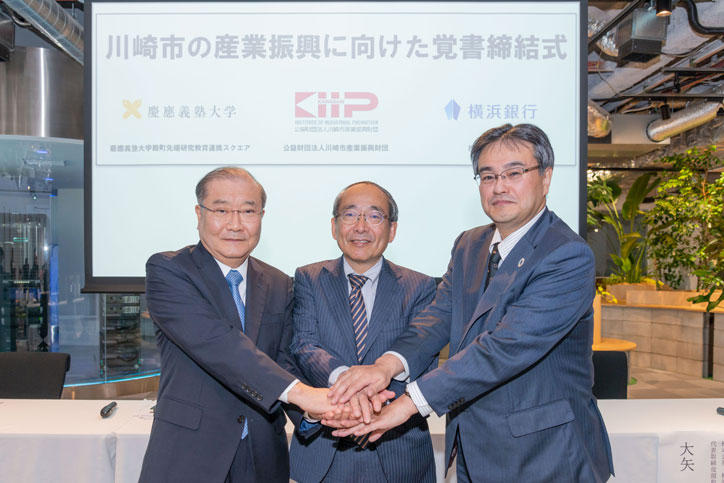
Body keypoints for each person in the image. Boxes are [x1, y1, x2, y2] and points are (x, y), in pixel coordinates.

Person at [327, 124, 615, 482]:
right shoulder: (470, 244)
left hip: (545, 453)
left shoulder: (566, 255)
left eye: (514, 173)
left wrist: (410, 403)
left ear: (546, 177)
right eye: (488, 176)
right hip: (473, 447)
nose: (499, 187)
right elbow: (437, 316)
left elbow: (505, 348)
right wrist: (384, 367)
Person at [139, 167, 349, 483]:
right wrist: (303, 394)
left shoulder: (279, 283)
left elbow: (282, 362)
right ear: (199, 214)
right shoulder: (169, 270)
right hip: (189, 455)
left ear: (261, 216)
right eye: (222, 210)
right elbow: (218, 344)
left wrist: (315, 410)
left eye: (248, 211)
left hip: (262, 458)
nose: (235, 224)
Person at [289, 181, 437, 482]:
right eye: (350, 215)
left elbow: (423, 359)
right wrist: (349, 383)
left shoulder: (420, 286)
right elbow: (304, 345)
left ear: (392, 230)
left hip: (398, 453)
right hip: (324, 449)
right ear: (334, 226)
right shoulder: (308, 278)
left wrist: (371, 400)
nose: (360, 227)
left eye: (374, 216)